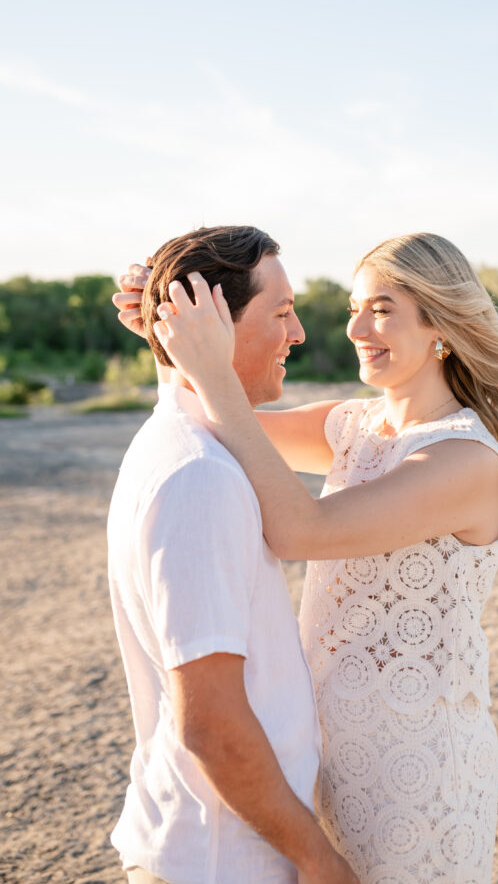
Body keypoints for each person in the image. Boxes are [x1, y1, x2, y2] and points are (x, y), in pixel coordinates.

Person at [114, 231, 498, 883]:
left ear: (443, 326)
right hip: (324, 765)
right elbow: (209, 416)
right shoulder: (354, 427)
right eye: (352, 308)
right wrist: (172, 329)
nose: (355, 328)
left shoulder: (466, 460)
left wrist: (206, 364)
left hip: (415, 774)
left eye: (382, 308)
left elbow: (301, 530)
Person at [108, 225, 359, 884]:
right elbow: (213, 723)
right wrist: (317, 858)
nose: (299, 332)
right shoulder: (201, 477)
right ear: (216, 325)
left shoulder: (186, 442)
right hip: (220, 861)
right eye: (281, 312)